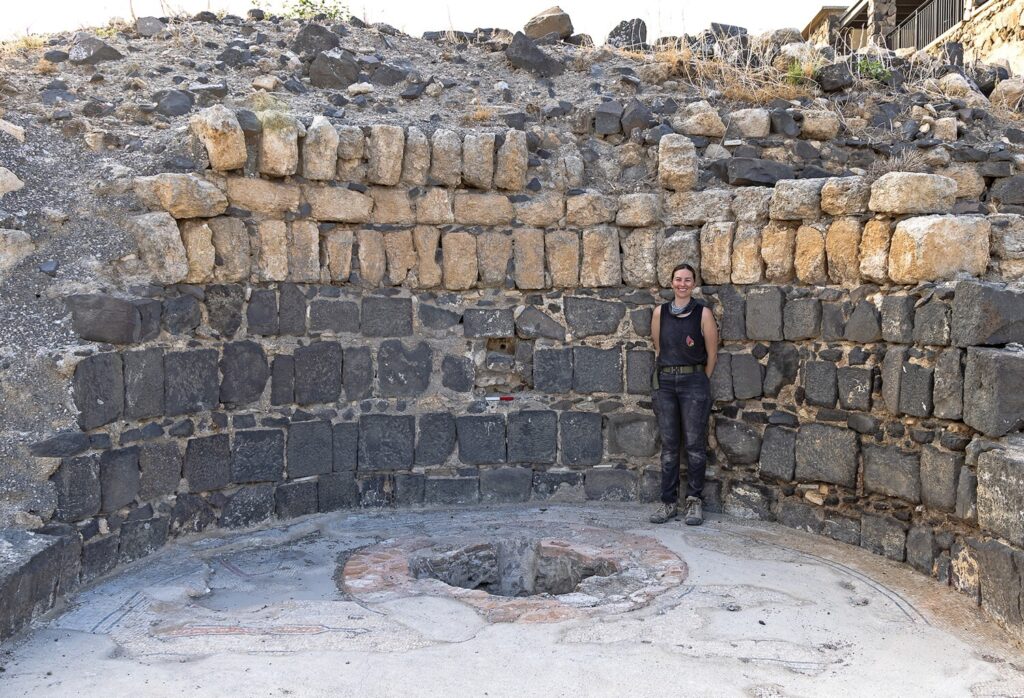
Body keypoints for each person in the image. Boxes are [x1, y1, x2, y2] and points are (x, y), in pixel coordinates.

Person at [649, 263, 718, 526]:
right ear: (672, 282)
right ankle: (668, 503)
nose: (682, 284)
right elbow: (658, 348)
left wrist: (699, 380)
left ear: (694, 284)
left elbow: (712, 355)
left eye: (687, 280)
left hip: (694, 383)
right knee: (669, 447)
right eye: (678, 279)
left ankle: (694, 502)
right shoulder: (660, 313)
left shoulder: (703, 314)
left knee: (694, 446)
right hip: (665, 382)